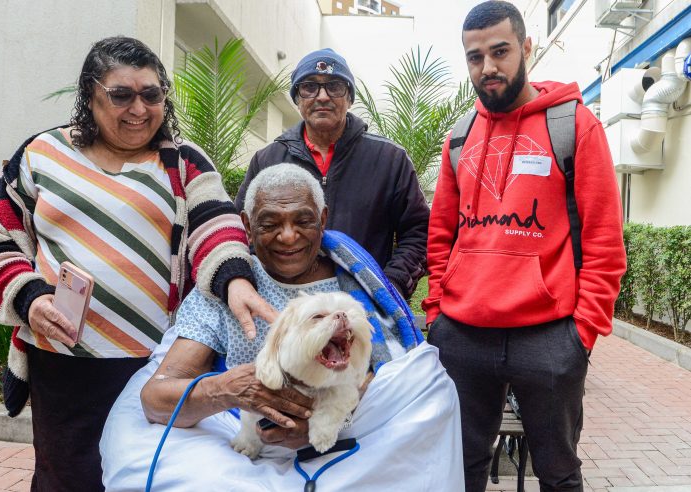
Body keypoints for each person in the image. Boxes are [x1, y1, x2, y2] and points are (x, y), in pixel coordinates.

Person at [0, 36, 275, 491]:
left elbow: (218, 225)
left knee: (138, 476)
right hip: (61, 361)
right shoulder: (41, 155)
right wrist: (32, 299)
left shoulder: (183, 163)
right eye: (121, 95)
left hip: (152, 367)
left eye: (151, 94)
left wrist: (234, 280)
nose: (139, 108)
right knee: (65, 477)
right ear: (90, 95)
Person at [100, 164, 464, 491]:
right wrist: (227, 390)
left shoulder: (354, 286)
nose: (288, 236)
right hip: (243, 442)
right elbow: (155, 400)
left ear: (323, 219)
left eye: (303, 221)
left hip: (346, 444)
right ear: (247, 225)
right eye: (270, 223)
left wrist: (338, 416)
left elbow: (392, 377)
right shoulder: (229, 287)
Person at [422, 2, 626, 491]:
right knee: (460, 466)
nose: (488, 67)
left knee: (557, 472)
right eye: (475, 57)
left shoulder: (574, 125)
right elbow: (441, 234)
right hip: (464, 335)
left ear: (526, 48)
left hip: (549, 337)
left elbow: (604, 241)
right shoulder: (461, 136)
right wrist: (437, 315)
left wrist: (582, 333)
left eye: (500, 51)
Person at [234, 48, 429, 299]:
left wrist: (389, 286)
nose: (322, 96)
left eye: (334, 86)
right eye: (309, 87)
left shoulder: (390, 159)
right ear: (297, 98)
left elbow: (419, 232)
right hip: (283, 304)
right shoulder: (267, 159)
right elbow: (240, 230)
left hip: (366, 305)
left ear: (349, 97)